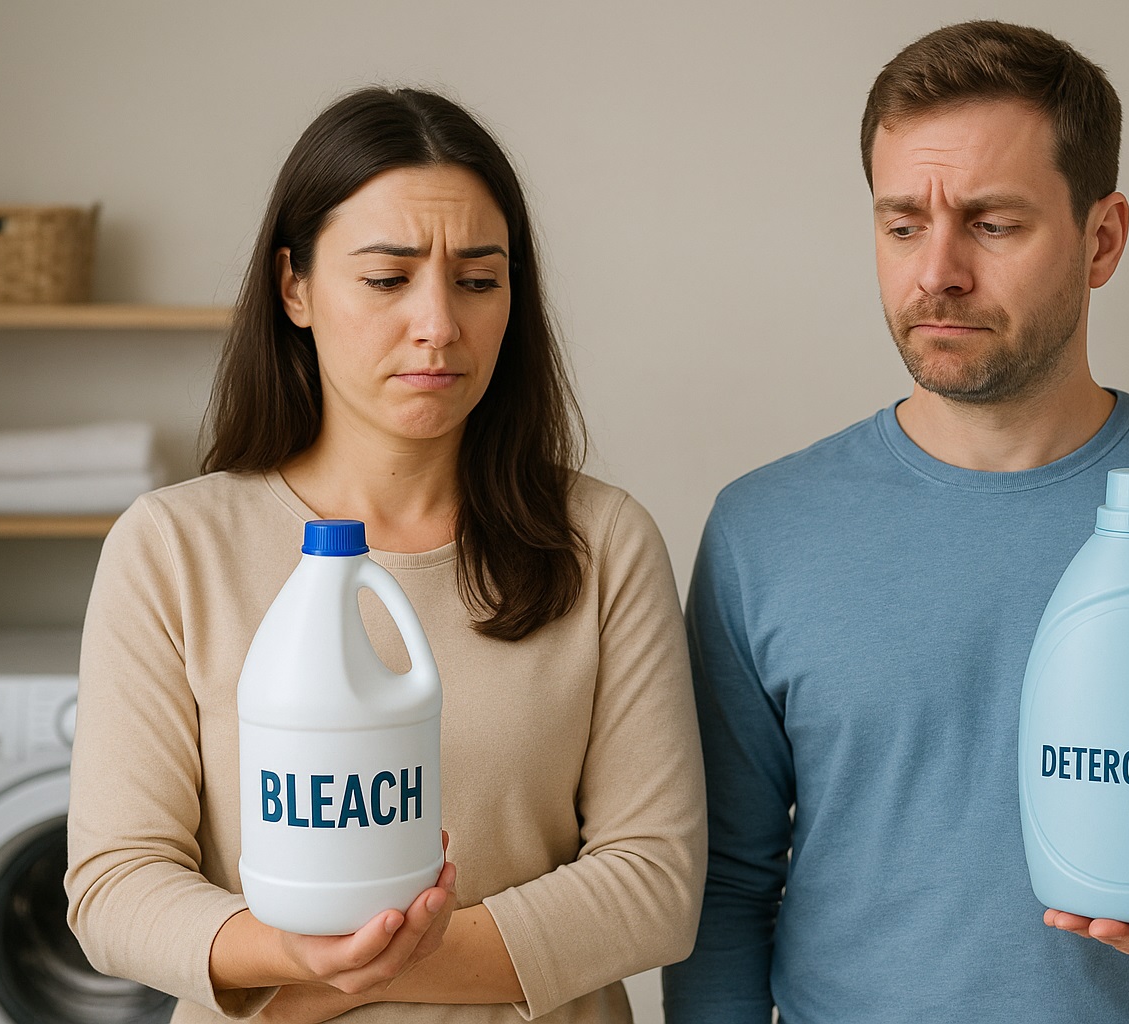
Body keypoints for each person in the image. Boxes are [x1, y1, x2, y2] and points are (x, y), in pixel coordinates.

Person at [661, 20, 1129, 1024]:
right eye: (900, 224)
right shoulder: (763, 530)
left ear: (1101, 239)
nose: (938, 271)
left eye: (993, 223)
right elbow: (725, 886)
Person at [66, 87, 706, 1024]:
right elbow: (116, 888)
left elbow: (655, 883)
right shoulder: (172, 549)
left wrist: (309, 983)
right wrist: (285, 949)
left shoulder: (601, 543)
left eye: (479, 281)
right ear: (295, 287)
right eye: (386, 278)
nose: (439, 324)